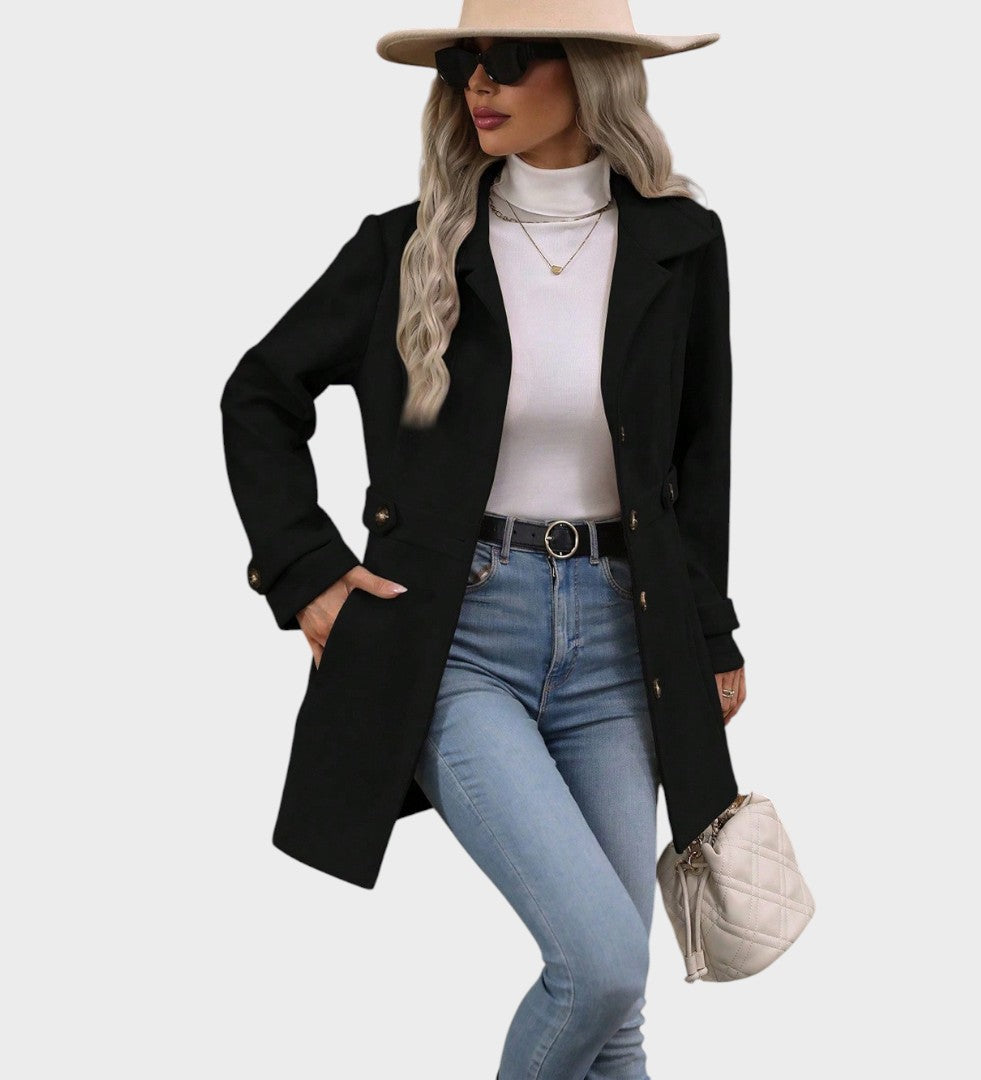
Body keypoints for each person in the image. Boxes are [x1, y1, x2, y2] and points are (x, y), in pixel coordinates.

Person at [221, 3, 747, 1076]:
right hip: (457, 638)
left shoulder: (679, 242)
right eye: (464, 61)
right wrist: (308, 572)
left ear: (592, 72)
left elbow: (698, 459)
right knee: (600, 964)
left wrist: (710, 632)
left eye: (507, 58)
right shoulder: (408, 246)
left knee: (618, 1011)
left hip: (622, 642)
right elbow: (259, 394)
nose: (478, 83)